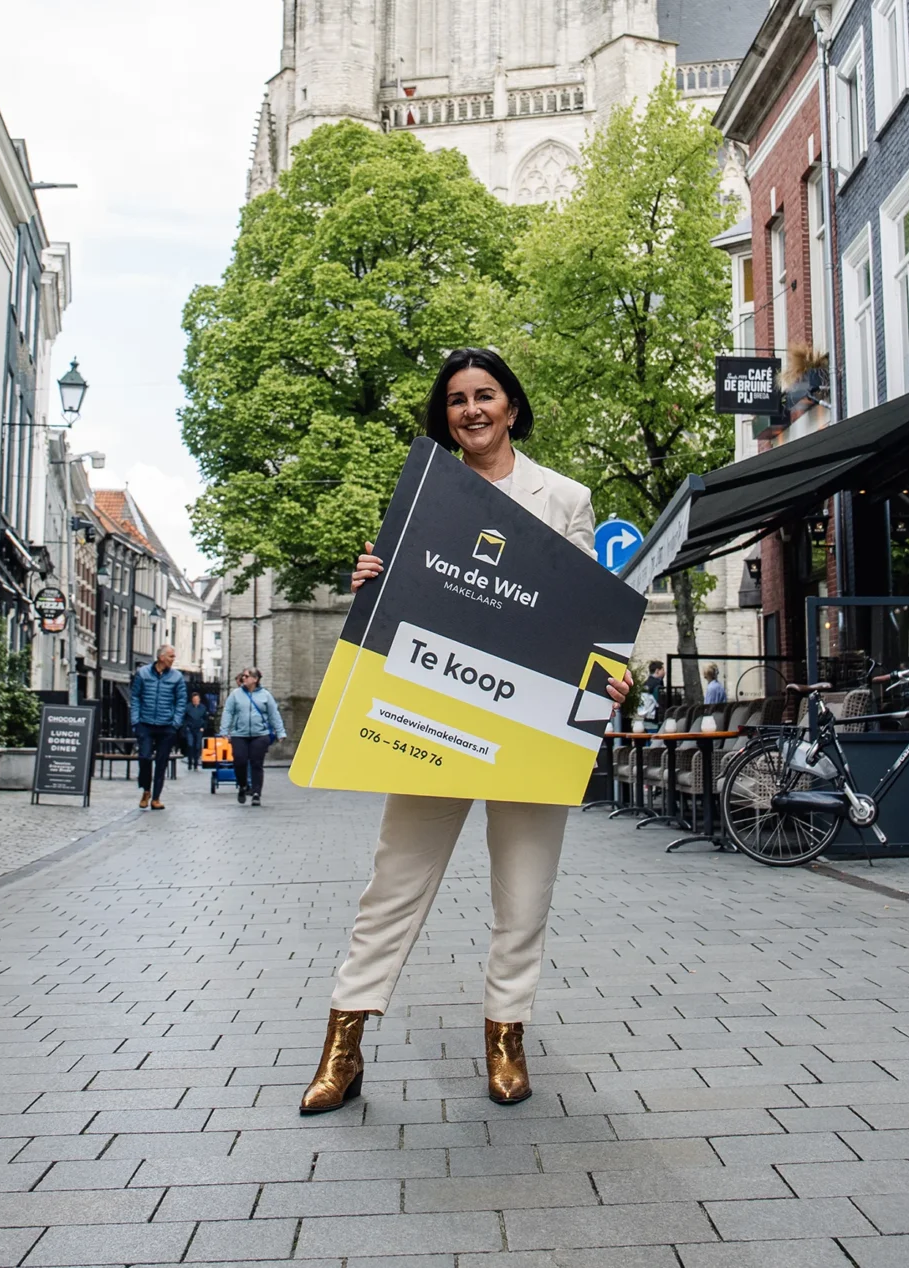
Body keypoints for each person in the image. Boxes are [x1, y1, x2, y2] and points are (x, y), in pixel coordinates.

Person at [298, 347, 630, 1116]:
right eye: (456, 400)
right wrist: (371, 588)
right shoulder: (426, 497)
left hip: (533, 724)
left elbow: (592, 610)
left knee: (525, 893)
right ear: (443, 416)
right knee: (393, 885)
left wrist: (611, 673)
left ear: (512, 406)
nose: (472, 409)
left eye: (486, 395)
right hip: (437, 715)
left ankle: (506, 1040)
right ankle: (342, 1047)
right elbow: (405, 601)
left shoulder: (565, 498)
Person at [131, 646, 187, 811]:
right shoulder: (143, 673)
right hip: (145, 724)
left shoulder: (177, 677)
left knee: (162, 763)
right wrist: (136, 721)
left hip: (166, 726)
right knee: (144, 757)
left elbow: (181, 701)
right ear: (161, 657)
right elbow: (135, 697)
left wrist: (175, 723)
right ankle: (146, 790)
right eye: (171, 656)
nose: (173, 659)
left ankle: (156, 798)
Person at [221, 668, 284, 807]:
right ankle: (243, 786)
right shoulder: (235, 694)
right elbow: (228, 712)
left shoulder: (265, 695)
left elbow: (274, 713)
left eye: (246, 676)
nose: (243, 678)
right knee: (240, 761)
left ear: (255, 679)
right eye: (243, 676)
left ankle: (256, 793)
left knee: (257, 763)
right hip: (239, 734)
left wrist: (280, 732)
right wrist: (224, 730)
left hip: (260, 734)